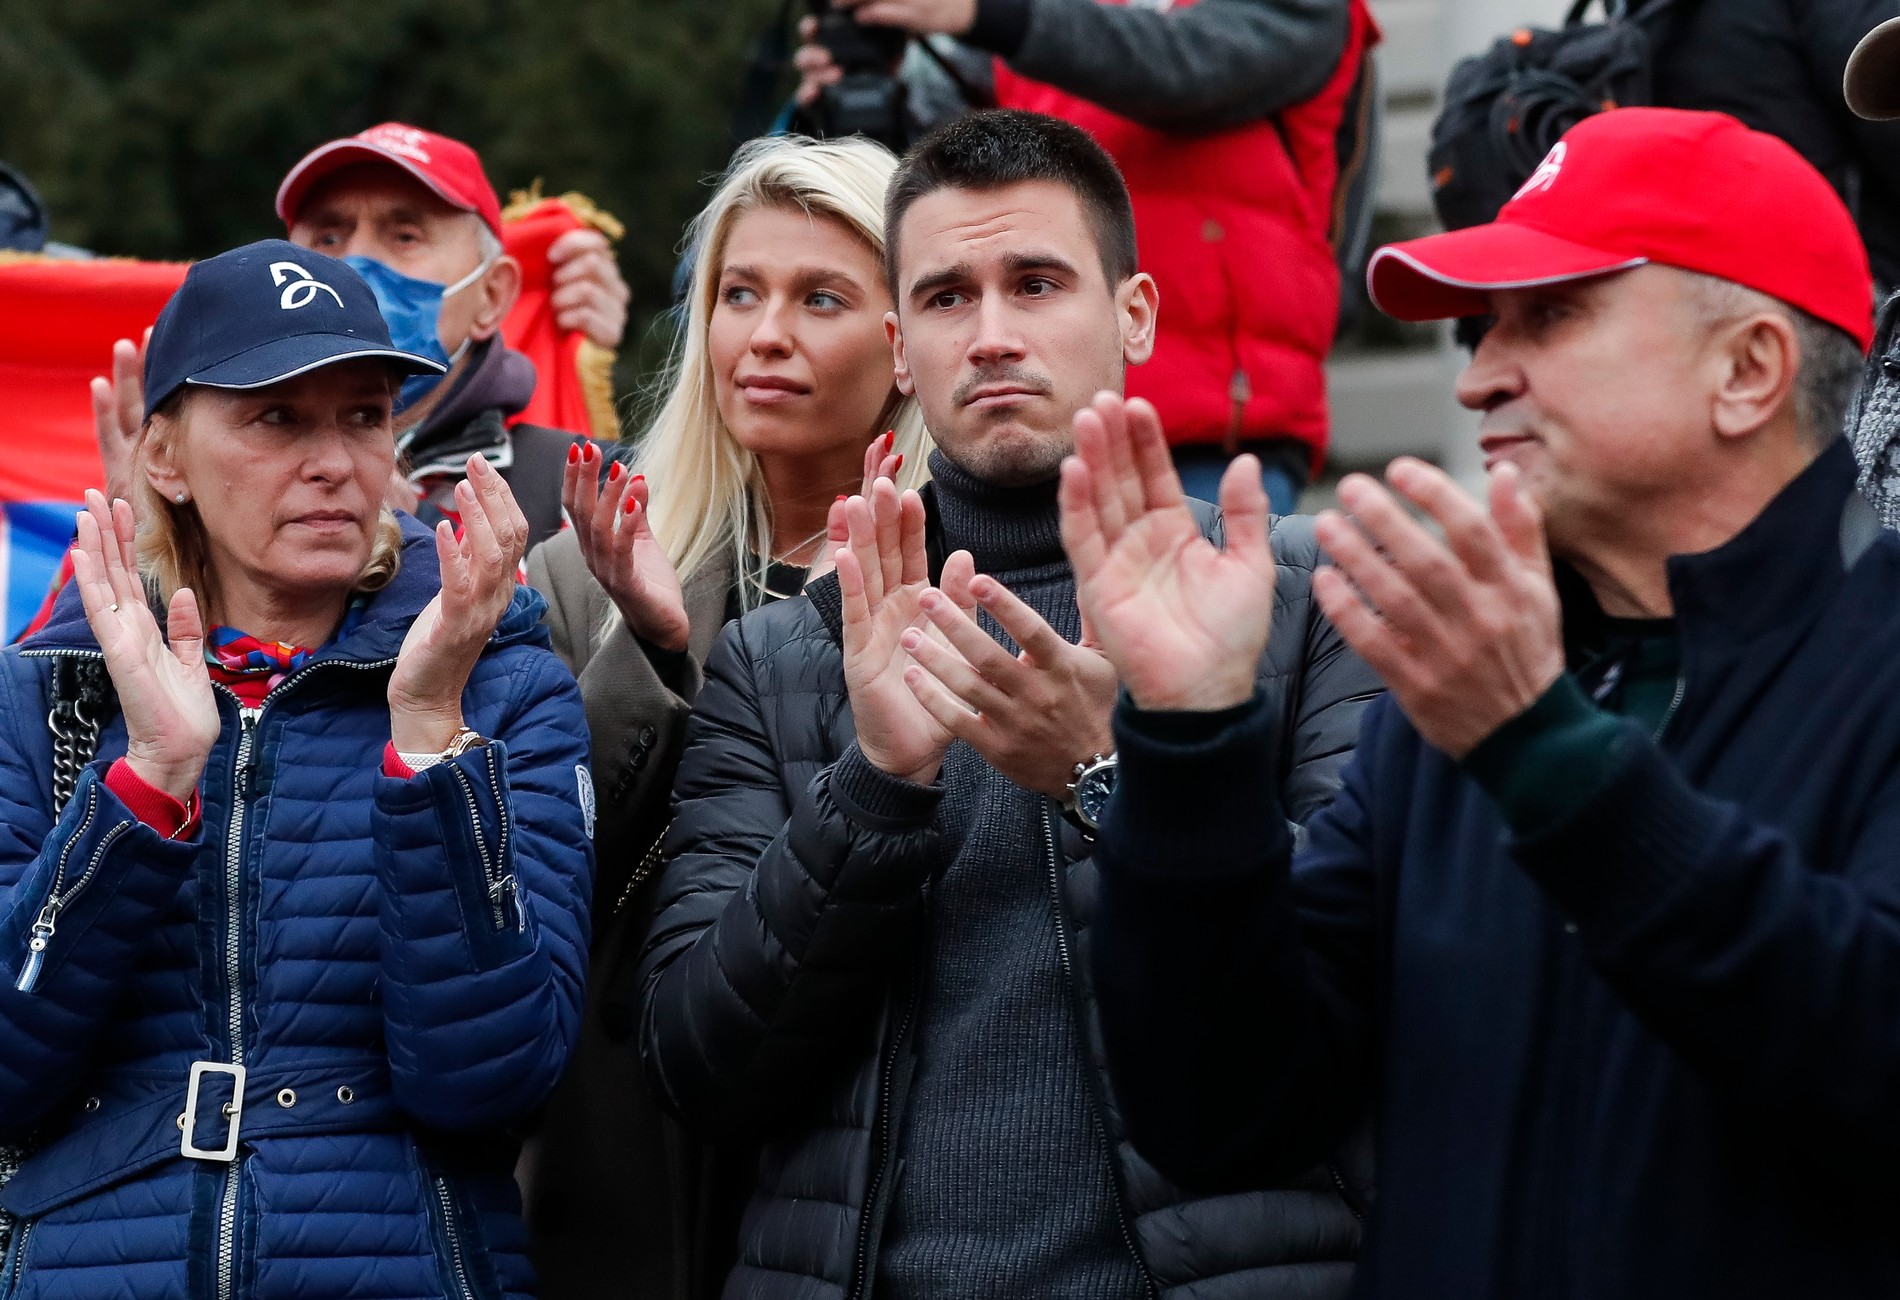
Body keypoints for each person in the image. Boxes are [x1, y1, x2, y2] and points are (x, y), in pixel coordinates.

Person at [1074, 107, 1900, 1299]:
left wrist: (1546, 759)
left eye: (1548, 316)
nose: (1475, 380)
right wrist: (1192, 739)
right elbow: (1222, 1113)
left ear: (1748, 370)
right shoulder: (1458, 691)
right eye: (1479, 329)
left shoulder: (1503, 696)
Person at [637, 109, 1380, 1300]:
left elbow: (1363, 1002)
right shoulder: (782, 658)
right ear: (899, 347)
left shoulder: (1300, 603)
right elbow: (696, 1068)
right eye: (946, 297)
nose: (990, 336)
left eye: (1036, 284)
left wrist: (1119, 775)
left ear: (1134, 314)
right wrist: (873, 789)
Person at [0, 240, 593, 1298]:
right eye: (277, 418)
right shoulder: (47, 696)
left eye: (363, 416)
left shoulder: (505, 687)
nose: (334, 462)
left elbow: (491, 1084)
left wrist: (428, 738)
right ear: (165, 457)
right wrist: (146, 786)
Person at [516, 133, 931, 1300]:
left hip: (877, 1139)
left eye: (820, 299)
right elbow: (538, 875)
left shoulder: (970, 583)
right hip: (629, 1157)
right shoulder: (578, 574)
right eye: (738, 294)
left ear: (907, 343)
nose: (765, 334)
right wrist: (653, 649)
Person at [793, 0, 1378, 514]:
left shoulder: (1304, 11)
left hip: (1212, 435)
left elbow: (1184, 67)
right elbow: (954, 194)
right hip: (1021, 424)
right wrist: (867, 104)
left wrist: (984, 14)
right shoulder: (1013, 30)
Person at [89, 122, 632, 548]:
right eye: (328, 238)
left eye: (404, 236)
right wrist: (154, 538)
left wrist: (409, 533)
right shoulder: (211, 472)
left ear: (491, 295)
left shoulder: (588, 484)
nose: (354, 268)